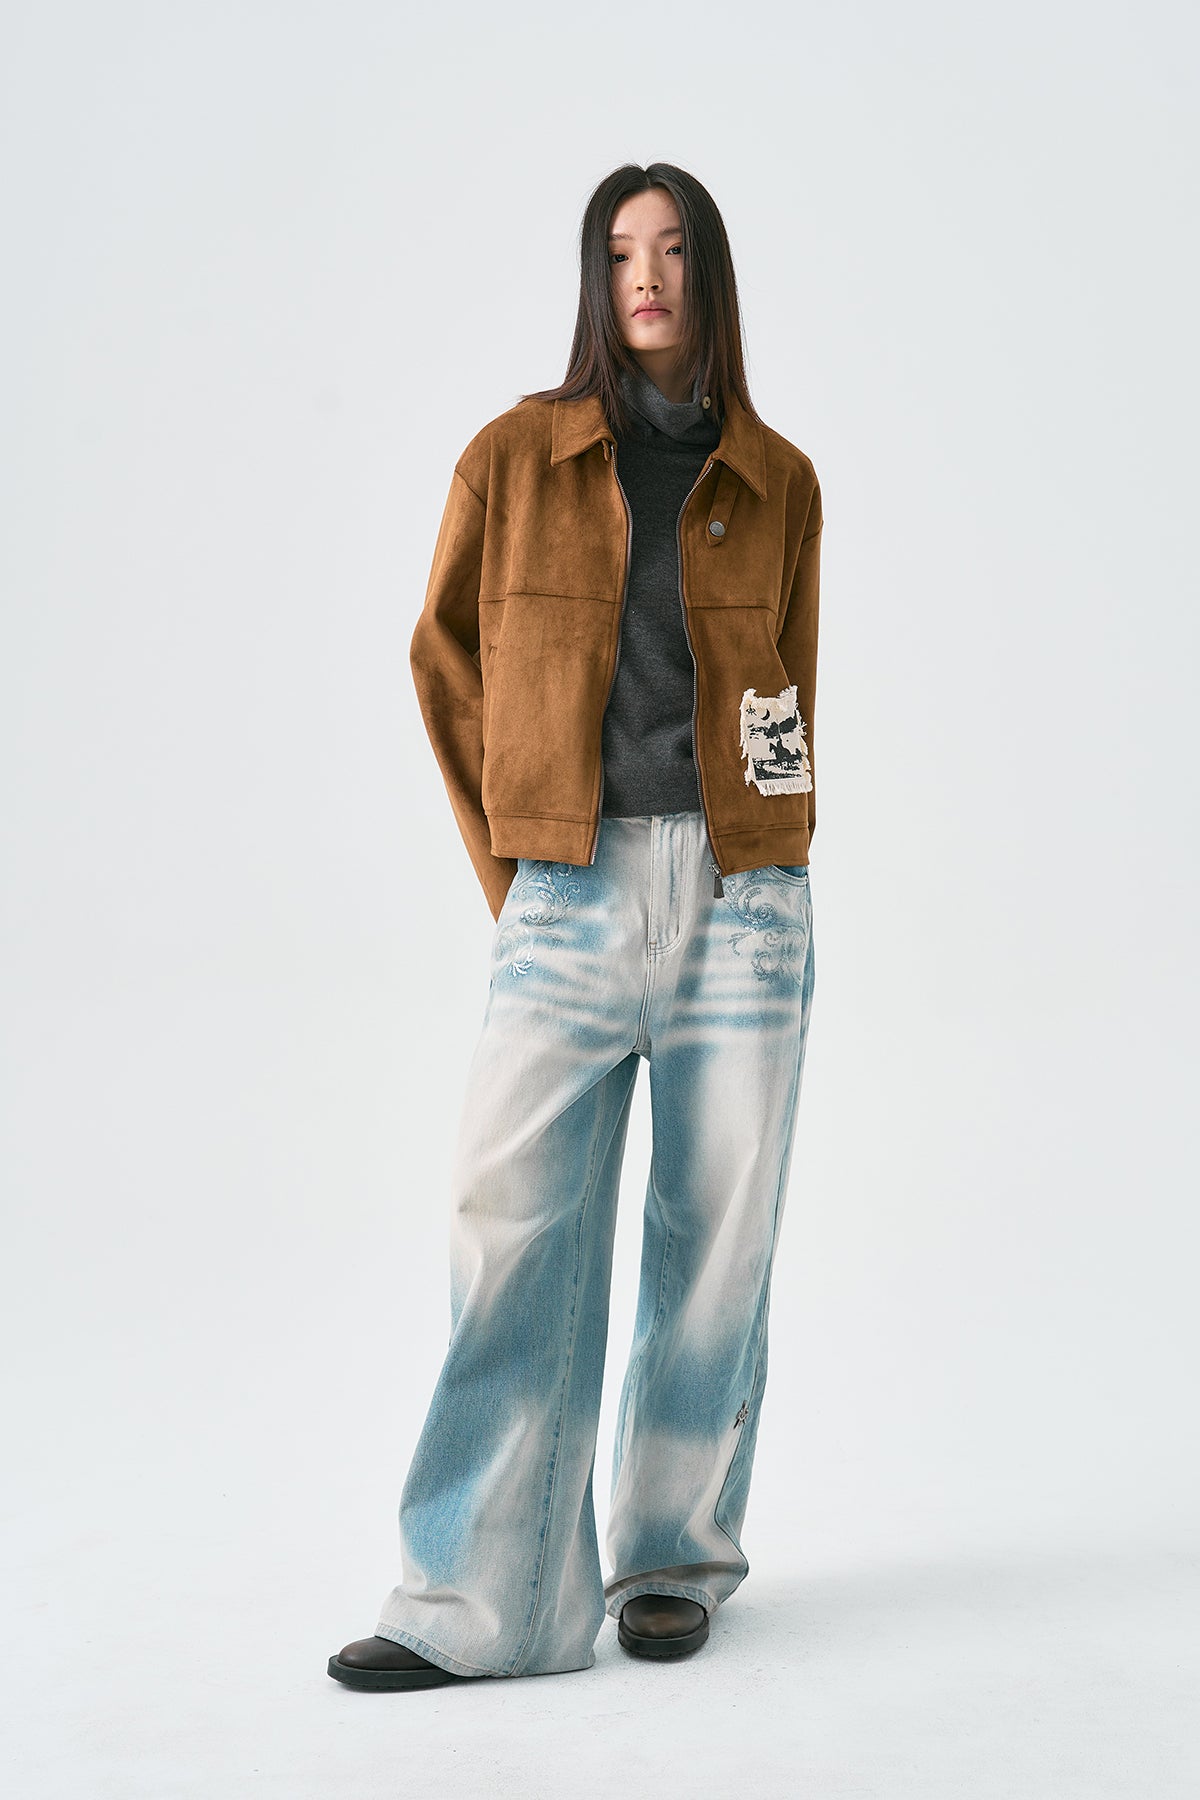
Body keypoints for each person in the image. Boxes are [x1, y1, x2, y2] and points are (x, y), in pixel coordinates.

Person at [328, 161, 823, 1691]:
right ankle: (481, 1602)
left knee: (715, 1240)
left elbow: (791, 698)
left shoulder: (780, 481)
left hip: (743, 900)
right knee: (509, 1222)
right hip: (569, 886)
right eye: (620, 253)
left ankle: (672, 1561)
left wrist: (773, 864)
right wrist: (527, 870)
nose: (646, 277)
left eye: (671, 251)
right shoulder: (514, 459)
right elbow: (443, 663)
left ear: (709, 277)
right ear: (596, 283)